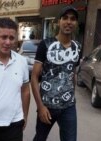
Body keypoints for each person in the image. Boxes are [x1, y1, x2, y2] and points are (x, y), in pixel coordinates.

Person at [31, 6, 82, 141]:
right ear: (58, 22)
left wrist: (71, 95)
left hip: (69, 107)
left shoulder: (77, 47)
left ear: (76, 23)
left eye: (72, 19)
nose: (68, 22)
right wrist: (40, 106)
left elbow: (73, 73)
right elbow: (34, 77)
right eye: (65, 18)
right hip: (47, 106)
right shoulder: (46, 44)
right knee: (40, 138)